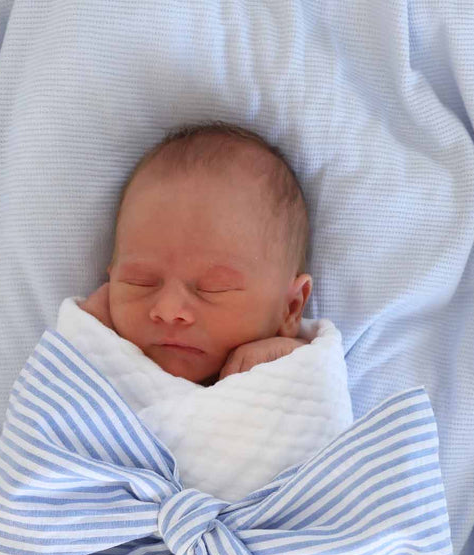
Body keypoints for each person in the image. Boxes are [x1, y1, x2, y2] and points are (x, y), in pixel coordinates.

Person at [79, 120, 314, 385]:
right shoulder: (92, 348)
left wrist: (294, 369)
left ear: (291, 307)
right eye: (139, 281)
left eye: (214, 288)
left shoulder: (301, 368)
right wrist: (88, 337)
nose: (168, 310)